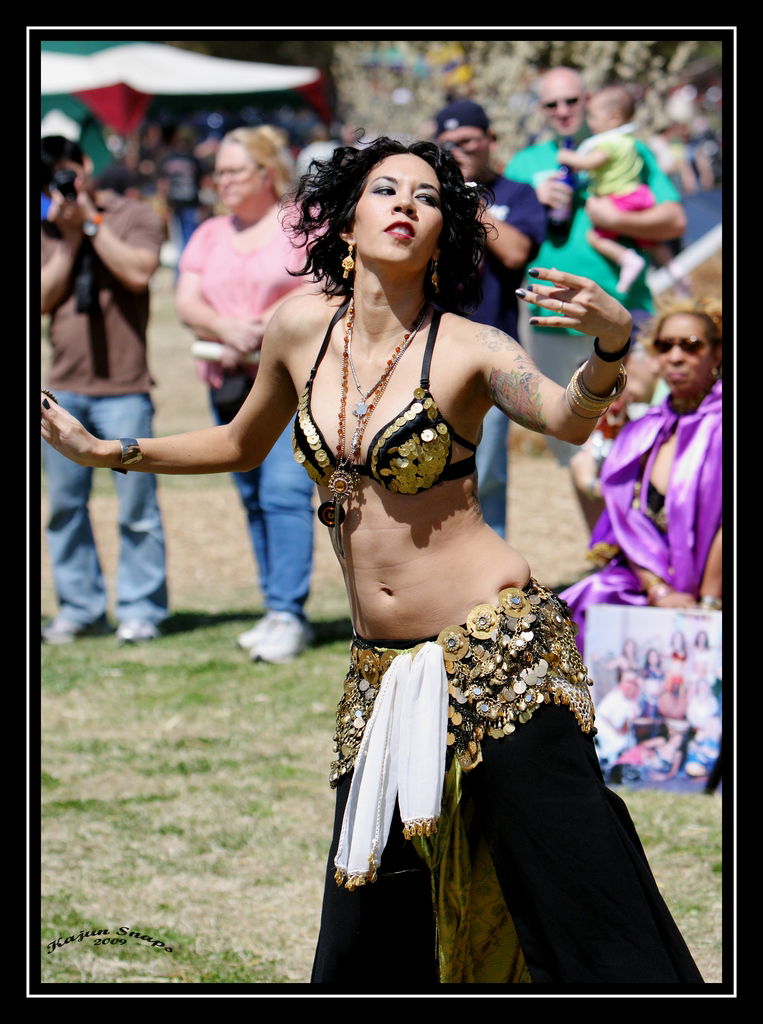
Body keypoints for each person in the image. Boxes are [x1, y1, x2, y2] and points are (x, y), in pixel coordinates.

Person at [41, 136, 703, 986]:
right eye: (384, 189)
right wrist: (108, 450)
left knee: (576, 887)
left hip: (497, 656)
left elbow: (565, 417)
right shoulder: (299, 328)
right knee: (366, 921)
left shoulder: (471, 346)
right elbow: (241, 442)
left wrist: (610, 350)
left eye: (425, 199)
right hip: (379, 670)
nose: (403, 204)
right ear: (347, 222)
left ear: (440, 236)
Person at [175, 125, 317, 663]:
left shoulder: (300, 224)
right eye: (220, 173)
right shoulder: (210, 232)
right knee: (252, 495)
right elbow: (187, 300)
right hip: (229, 383)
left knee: (283, 493)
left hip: (287, 384)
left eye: (235, 171)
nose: (224, 181)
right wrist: (223, 327)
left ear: (265, 173)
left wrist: (262, 325)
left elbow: (323, 284)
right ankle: (273, 607)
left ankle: (289, 613)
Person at [506, 66, 687, 466]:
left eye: (572, 99)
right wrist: (531, 198)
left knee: (643, 432)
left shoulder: (622, 146)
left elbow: (674, 220)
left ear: (588, 101)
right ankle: (601, 532)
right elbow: (503, 233)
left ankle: (640, 526)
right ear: (541, 109)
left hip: (623, 315)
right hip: (551, 321)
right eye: (552, 103)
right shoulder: (525, 162)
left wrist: (614, 219)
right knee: (573, 450)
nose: (563, 109)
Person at [40, 135, 168, 645]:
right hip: (64, 386)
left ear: (85, 165)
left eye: (67, 171)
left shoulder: (134, 216)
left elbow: (138, 273)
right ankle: (80, 607)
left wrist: (91, 222)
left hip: (124, 387)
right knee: (64, 509)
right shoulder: (46, 228)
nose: (63, 185)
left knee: (138, 507)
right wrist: (70, 239)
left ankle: (140, 609)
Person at [560, 297, 722, 658]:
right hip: (653, 579)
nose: (676, 356)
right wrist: (658, 590)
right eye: (666, 346)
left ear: (717, 354)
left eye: (691, 345)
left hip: (719, 585)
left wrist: (708, 604)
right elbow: (626, 520)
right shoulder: (643, 431)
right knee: (589, 597)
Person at [433, 99, 547, 537]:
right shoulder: (429, 196)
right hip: (433, 348)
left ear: (488, 139)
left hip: (493, 354)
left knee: (489, 473)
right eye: (448, 144)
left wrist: (471, 204)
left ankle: (490, 586)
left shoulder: (516, 194)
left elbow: (518, 252)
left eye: (466, 141)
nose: (458, 150)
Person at [556, 85, 663, 294]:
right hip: (638, 195)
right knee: (652, 242)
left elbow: (591, 162)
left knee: (596, 237)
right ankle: (673, 269)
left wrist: (566, 157)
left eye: (593, 117)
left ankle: (627, 259)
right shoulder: (629, 140)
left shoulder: (609, 142)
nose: (590, 122)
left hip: (619, 199)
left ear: (613, 118)